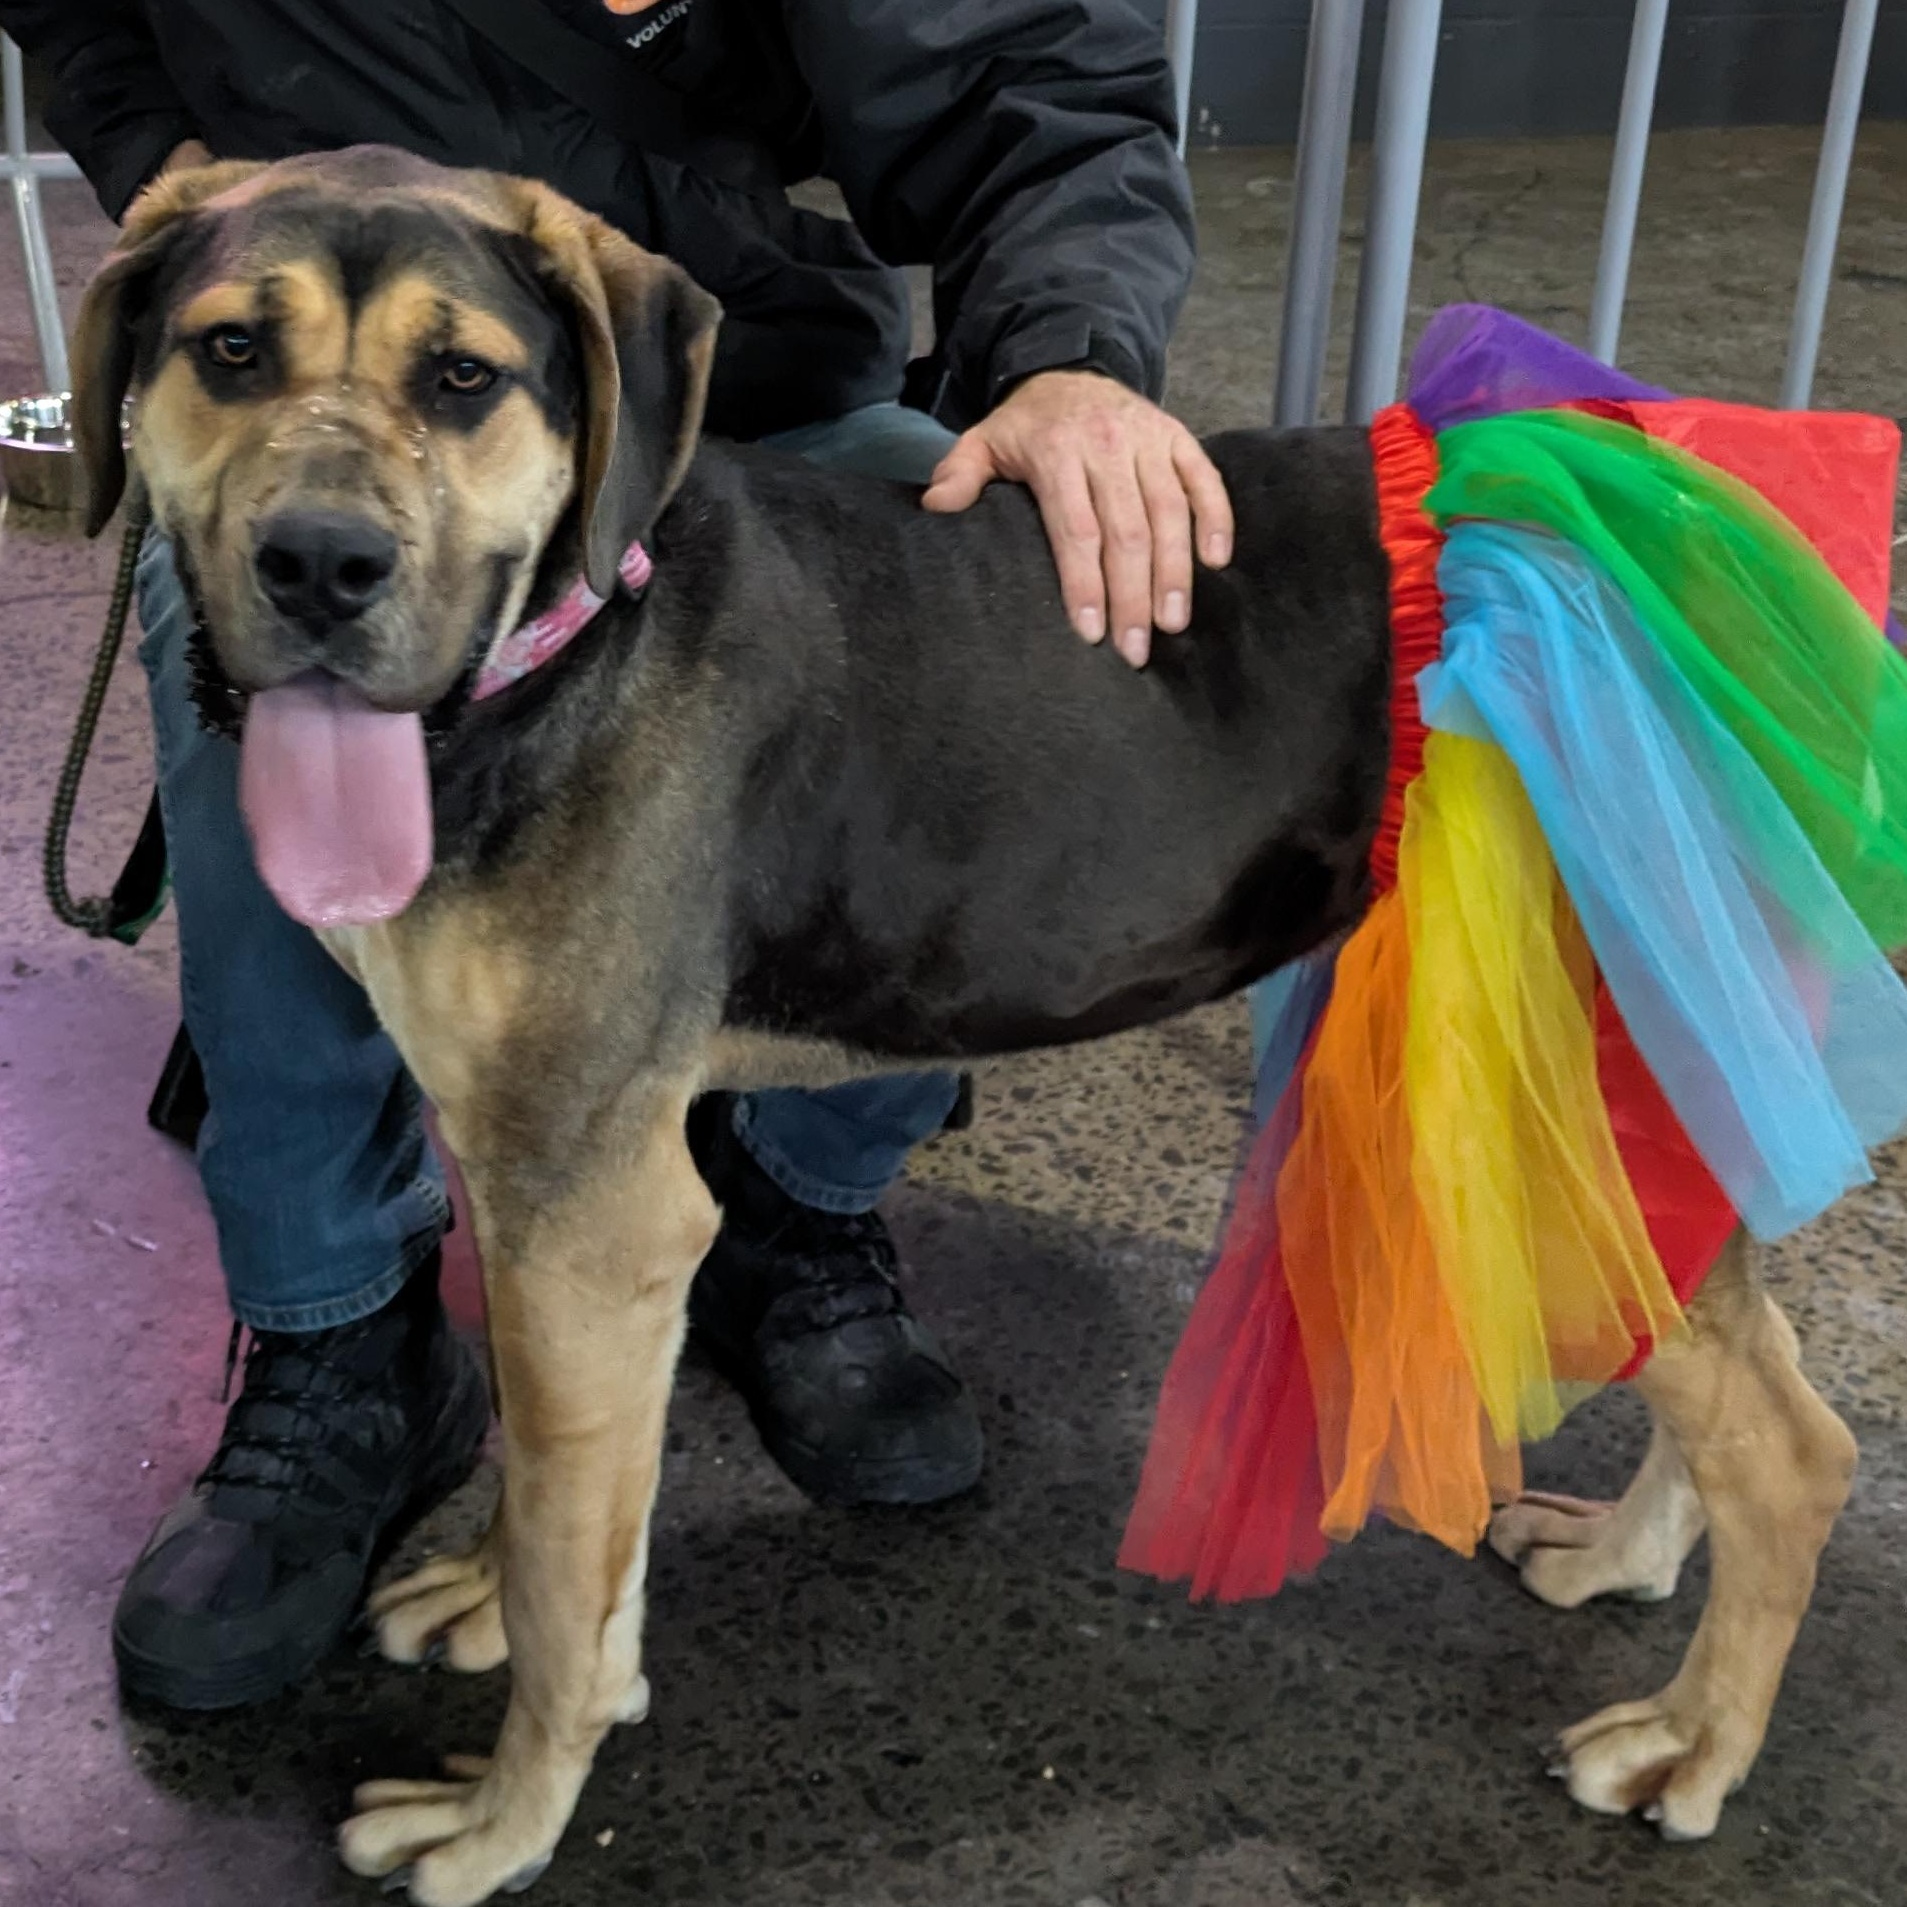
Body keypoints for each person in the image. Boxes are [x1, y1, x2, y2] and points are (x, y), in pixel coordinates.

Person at [4, 0, 1233, 1710]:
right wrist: (172, 172)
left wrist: (1072, 354)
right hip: (312, 421)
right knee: (239, 724)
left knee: (983, 643)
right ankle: (337, 1332)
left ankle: (794, 1216)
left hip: (761, 374)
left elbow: (1040, 75)